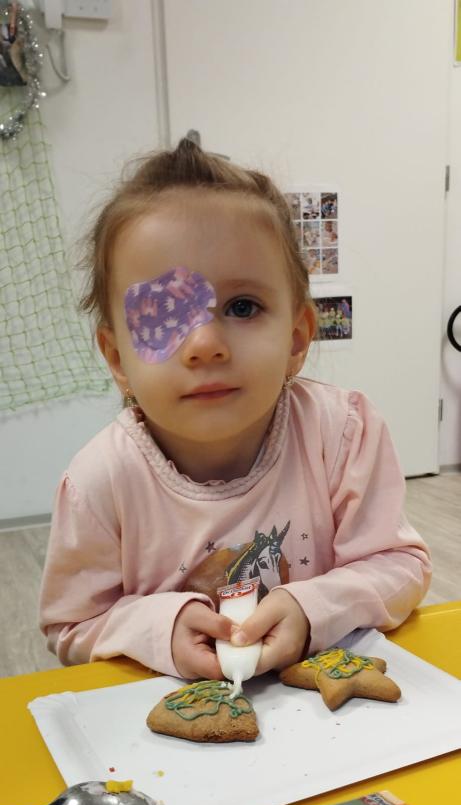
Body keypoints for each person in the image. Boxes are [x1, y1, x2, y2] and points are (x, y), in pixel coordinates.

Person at [39, 138, 431, 681]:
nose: (205, 345)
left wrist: (312, 608)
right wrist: (159, 627)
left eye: (242, 307)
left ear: (297, 337)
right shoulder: (100, 480)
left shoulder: (340, 433)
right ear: (118, 359)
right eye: (165, 314)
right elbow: (70, 626)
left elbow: (400, 565)